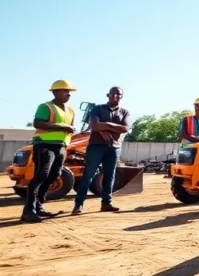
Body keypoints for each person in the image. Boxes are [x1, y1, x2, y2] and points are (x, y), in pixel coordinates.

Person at [22, 80, 78, 223]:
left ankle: (38, 207)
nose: (68, 94)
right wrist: (61, 127)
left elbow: (69, 128)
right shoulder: (46, 106)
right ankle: (28, 211)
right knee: (41, 175)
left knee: (55, 174)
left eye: (69, 92)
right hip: (44, 145)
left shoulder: (71, 111)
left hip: (61, 146)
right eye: (65, 91)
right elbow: (38, 123)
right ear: (55, 92)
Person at [72, 87, 131, 215]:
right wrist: (103, 130)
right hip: (96, 146)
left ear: (122, 96)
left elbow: (125, 128)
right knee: (88, 175)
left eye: (118, 94)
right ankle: (78, 204)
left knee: (109, 176)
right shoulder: (98, 109)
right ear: (108, 95)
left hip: (114, 147)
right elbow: (93, 124)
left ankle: (106, 203)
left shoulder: (125, 112)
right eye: (113, 94)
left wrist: (104, 127)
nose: (115, 96)